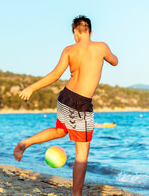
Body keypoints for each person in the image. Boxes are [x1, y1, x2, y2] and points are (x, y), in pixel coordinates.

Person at [13, 15, 118, 196]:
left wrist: (32, 87)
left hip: (65, 97)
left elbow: (55, 75)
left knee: (61, 130)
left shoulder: (69, 50)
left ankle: (25, 142)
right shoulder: (101, 47)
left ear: (75, 32)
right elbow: (115, 61)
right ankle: (76, 195)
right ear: (90, 31)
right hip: (82, 104)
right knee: (82, 154)